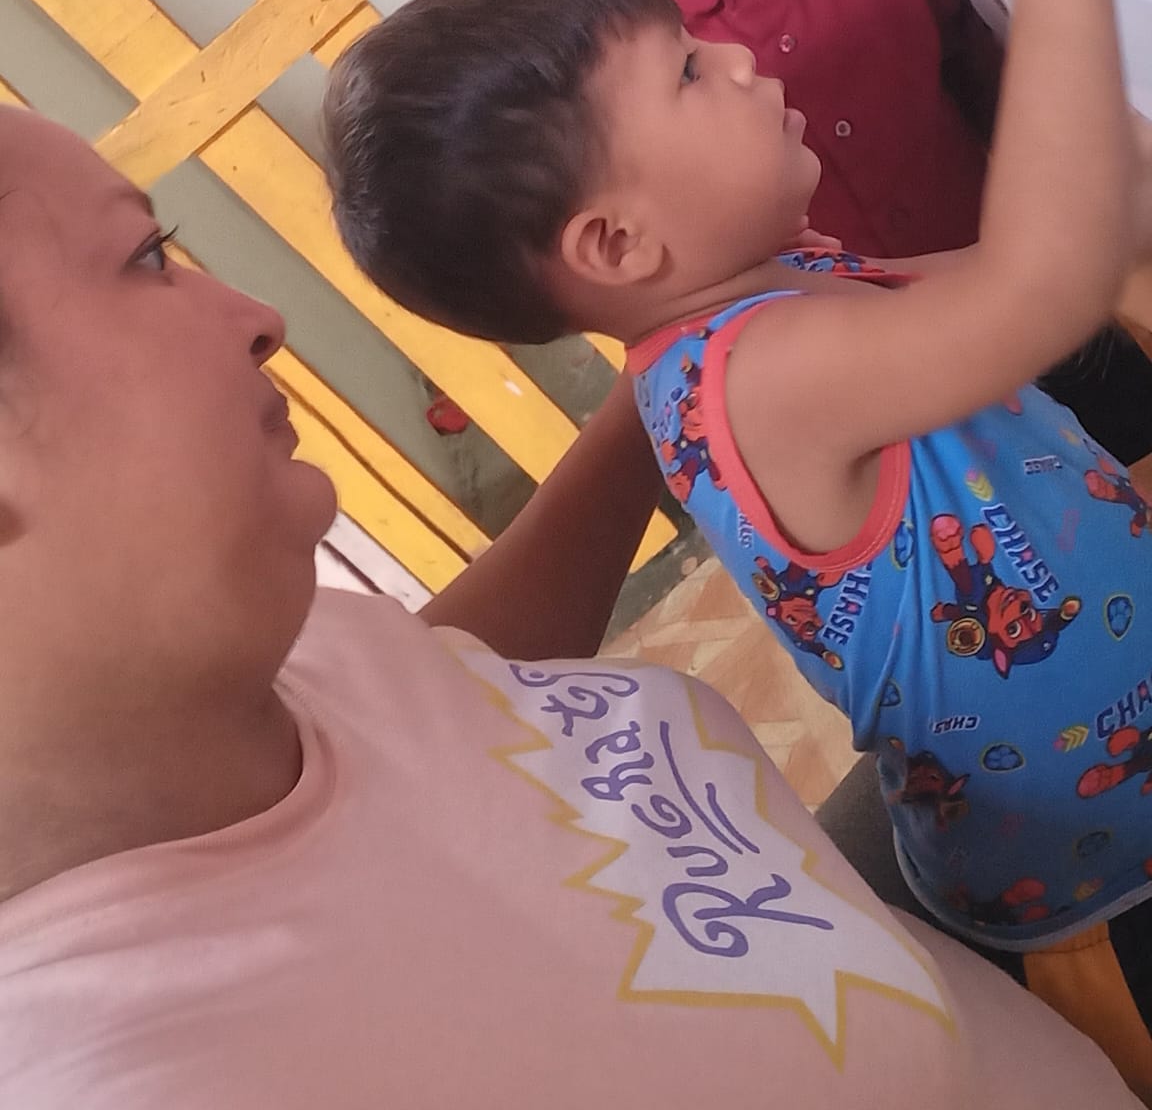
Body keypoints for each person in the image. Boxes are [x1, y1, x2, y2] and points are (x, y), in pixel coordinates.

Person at [0, 117, 1135, 1109]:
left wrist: (679, 347)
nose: (261, 317)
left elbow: (435, 683)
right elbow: (1046, 282)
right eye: (146, 256)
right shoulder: (156, 1074)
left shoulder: (259, 674)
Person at [324, 0, 1152, 1087]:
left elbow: (998, 278)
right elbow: (1042, 283)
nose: (744, 61)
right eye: (690, 73)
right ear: (618, 243)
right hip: (1106, 875)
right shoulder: (761, 377)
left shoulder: (774, 293)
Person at [479, 0, 1152, 460]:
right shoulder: (659, 83)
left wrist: (1082, 190)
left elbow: (989, 81)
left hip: (1023, 277)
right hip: (880, 373)